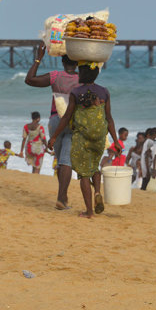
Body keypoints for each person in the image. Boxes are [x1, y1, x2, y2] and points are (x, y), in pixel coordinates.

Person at [48, 61, 122, 218]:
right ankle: (96, 191)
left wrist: (54, 136)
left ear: (82, 74)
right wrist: (115, 140)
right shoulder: (104, 92)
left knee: (84, 173)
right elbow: (109, 118)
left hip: (82, 137)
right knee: (94, 166)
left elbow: (67, 116)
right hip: (99, 136)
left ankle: (89, 211)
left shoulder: (76, 92)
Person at [24, 44, 79, 209]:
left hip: (56, 120)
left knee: (60, 160)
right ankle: (62, 198)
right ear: (77, 63)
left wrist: (38, 58)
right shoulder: (81, 79)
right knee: (66, 160)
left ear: (62, 62)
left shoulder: (56, 76)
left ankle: (62, 197)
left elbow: (30, 79)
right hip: (73, 121)